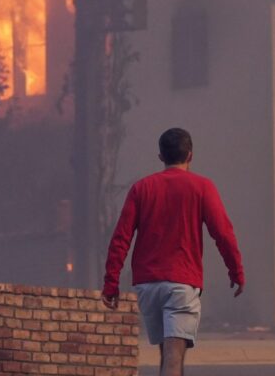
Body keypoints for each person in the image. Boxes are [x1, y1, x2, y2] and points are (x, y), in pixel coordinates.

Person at [102, 127, 244, 376]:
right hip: (181, 283)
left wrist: (111, 283)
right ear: (190, 155)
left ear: (161, 157)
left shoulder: (141, 188)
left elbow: (121, 238)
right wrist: (236, 272)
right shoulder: (202, 187)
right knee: (174, 356)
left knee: (165, 353)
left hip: (147, 286)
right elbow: (223, 233)